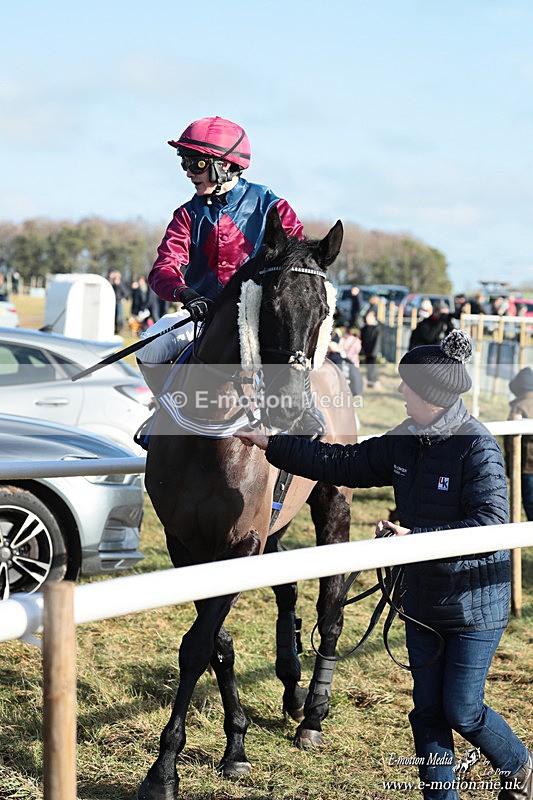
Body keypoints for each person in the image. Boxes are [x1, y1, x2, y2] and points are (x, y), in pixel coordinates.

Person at [235, 329, 532, 800]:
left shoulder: (477, 447)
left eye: (407, 386)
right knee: (427, 712)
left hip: (474, 606)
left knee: (462, 710)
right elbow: (341, 462)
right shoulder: (404, 440)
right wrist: (270, 442)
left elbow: (491, 524)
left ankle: (519, 767)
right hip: (422, 600)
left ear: (430, 396)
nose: (398, 391)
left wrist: (415, 540)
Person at [136, 115, 324, 436]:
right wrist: (187, 294)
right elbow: (163, 268)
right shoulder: (187, 214)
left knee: (297, 352)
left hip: (258, 317)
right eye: (184, 163)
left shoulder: (271, 206)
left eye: (196, 163)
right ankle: (163, 410)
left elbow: (296, 258)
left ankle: (305, 409)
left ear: (225, 165)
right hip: (204, 316)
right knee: (148, 348)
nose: (188, 172)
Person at [506, 366, 533, 521]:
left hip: (526, 467)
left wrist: (510, 466)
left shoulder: (519, 407)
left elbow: (511, 442)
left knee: (529, 503)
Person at [360, 309, 382, 388]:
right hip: (367, 350)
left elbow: (377, 341)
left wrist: (374, 352)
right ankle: (370, 381)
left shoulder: (377, 328)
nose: (367, 318)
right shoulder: (365, 328)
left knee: (373, 366)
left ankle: (373, 381)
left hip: (373, 351)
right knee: (368, 366)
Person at [107, 269, 130, 334]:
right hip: (112, 303)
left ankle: (120, 330)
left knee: (120, 317)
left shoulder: (121, 284)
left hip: (118, 302)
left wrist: (123, 298)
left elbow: (126, 293)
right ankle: (114, 330)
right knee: (113, 317)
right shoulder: (111, 284)